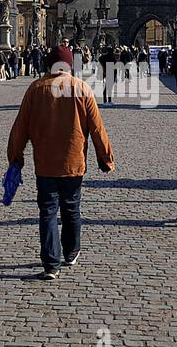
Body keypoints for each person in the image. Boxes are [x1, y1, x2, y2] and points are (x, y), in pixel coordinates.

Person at [7, 46, 115, 280]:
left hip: (45, 163)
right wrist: (105, 158)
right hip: (74, 162)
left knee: (47, 211)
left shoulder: (36, 89)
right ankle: (71, 251)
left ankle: (51, 265)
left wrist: (15, 157)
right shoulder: (81, 88)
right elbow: (97, 128)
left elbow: (20, 128)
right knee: (71, 207)